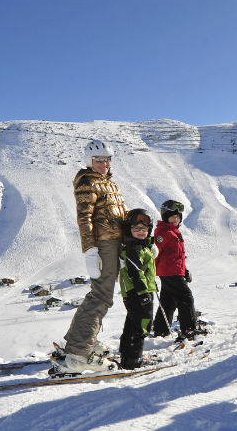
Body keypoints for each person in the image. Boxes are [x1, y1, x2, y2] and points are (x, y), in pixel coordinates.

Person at [54, 139, 126, 374]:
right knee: (102, 297)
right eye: (99, 160)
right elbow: (84, 218)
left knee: (99, 294)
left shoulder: (107, 182)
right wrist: (90, 249)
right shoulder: (88, 182)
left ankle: (78, 342)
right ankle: (79, 354)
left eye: (107, 159)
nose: (105, 164)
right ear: (89, 161)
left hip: (114, 243)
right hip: (103, 244)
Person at [151, 199, 203, 340]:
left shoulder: (173, 232)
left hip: (174, 271)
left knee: (169, 301)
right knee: (186, 298)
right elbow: (154, 253)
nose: (175, 219)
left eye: (178, 217)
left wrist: (184, 271)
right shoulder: (163, 232)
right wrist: (150, 272)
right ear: (165, 217)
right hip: (169, 272)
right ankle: (189, 329)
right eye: (172, 217)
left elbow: (179, 256)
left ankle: (160, 331)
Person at [116, 208, 159, 369]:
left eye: (144, 229)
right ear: (129, 230)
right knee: (142, 324)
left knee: (132, 323)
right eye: (136, 229)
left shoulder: (140, 247)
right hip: (137, 292)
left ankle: (127, 355)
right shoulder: (133, 248)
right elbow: (136, 272)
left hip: (137, 292)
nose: (141, 232)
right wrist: (143, 293)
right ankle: (133, 359)